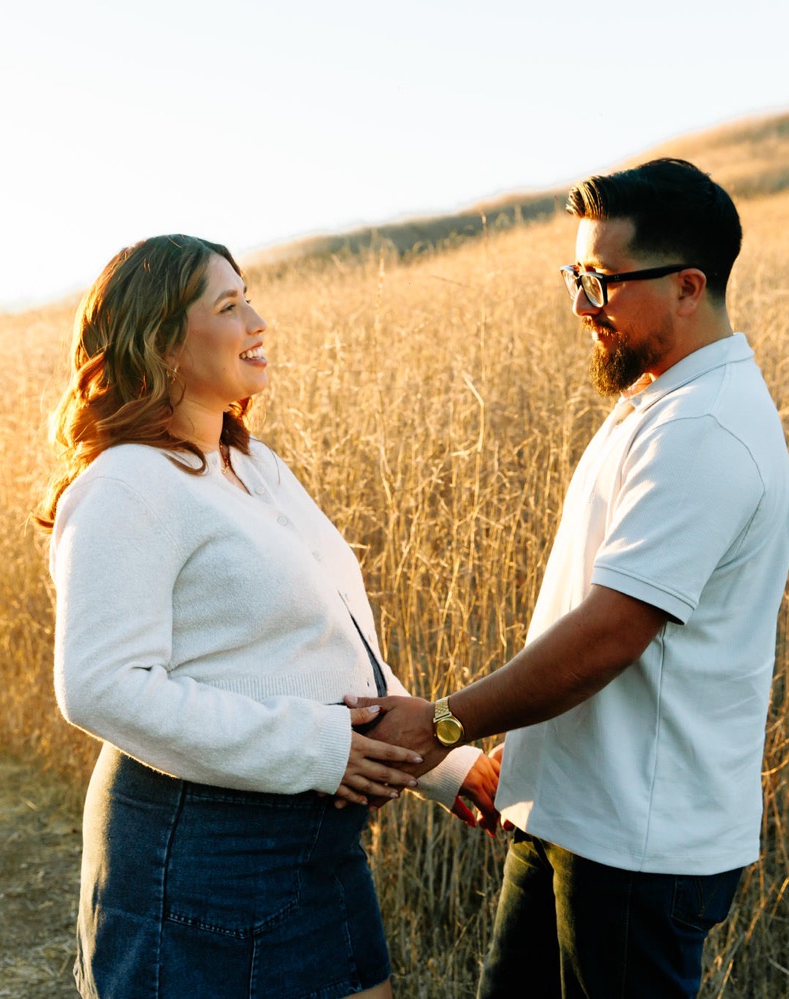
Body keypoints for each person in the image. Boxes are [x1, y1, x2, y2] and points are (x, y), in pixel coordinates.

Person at [349, 158, 789, 997]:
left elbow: (609, 637)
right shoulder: (661, 401)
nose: (584, 306)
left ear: (688, 287)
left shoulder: (705, 427)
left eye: (603, 282)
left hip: (636, 848)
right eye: (575, 278)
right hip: (574, 818)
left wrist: (441, 724)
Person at [34, 234, 496, 999]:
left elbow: (327, 647)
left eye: (248, 296)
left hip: (316, 840)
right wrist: (319, 747)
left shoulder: (251, 465)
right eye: (229, 305)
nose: (258, 319)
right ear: (161, 345)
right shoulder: (125, 484)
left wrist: (445, 765)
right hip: (199, 855)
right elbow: (99, 686)